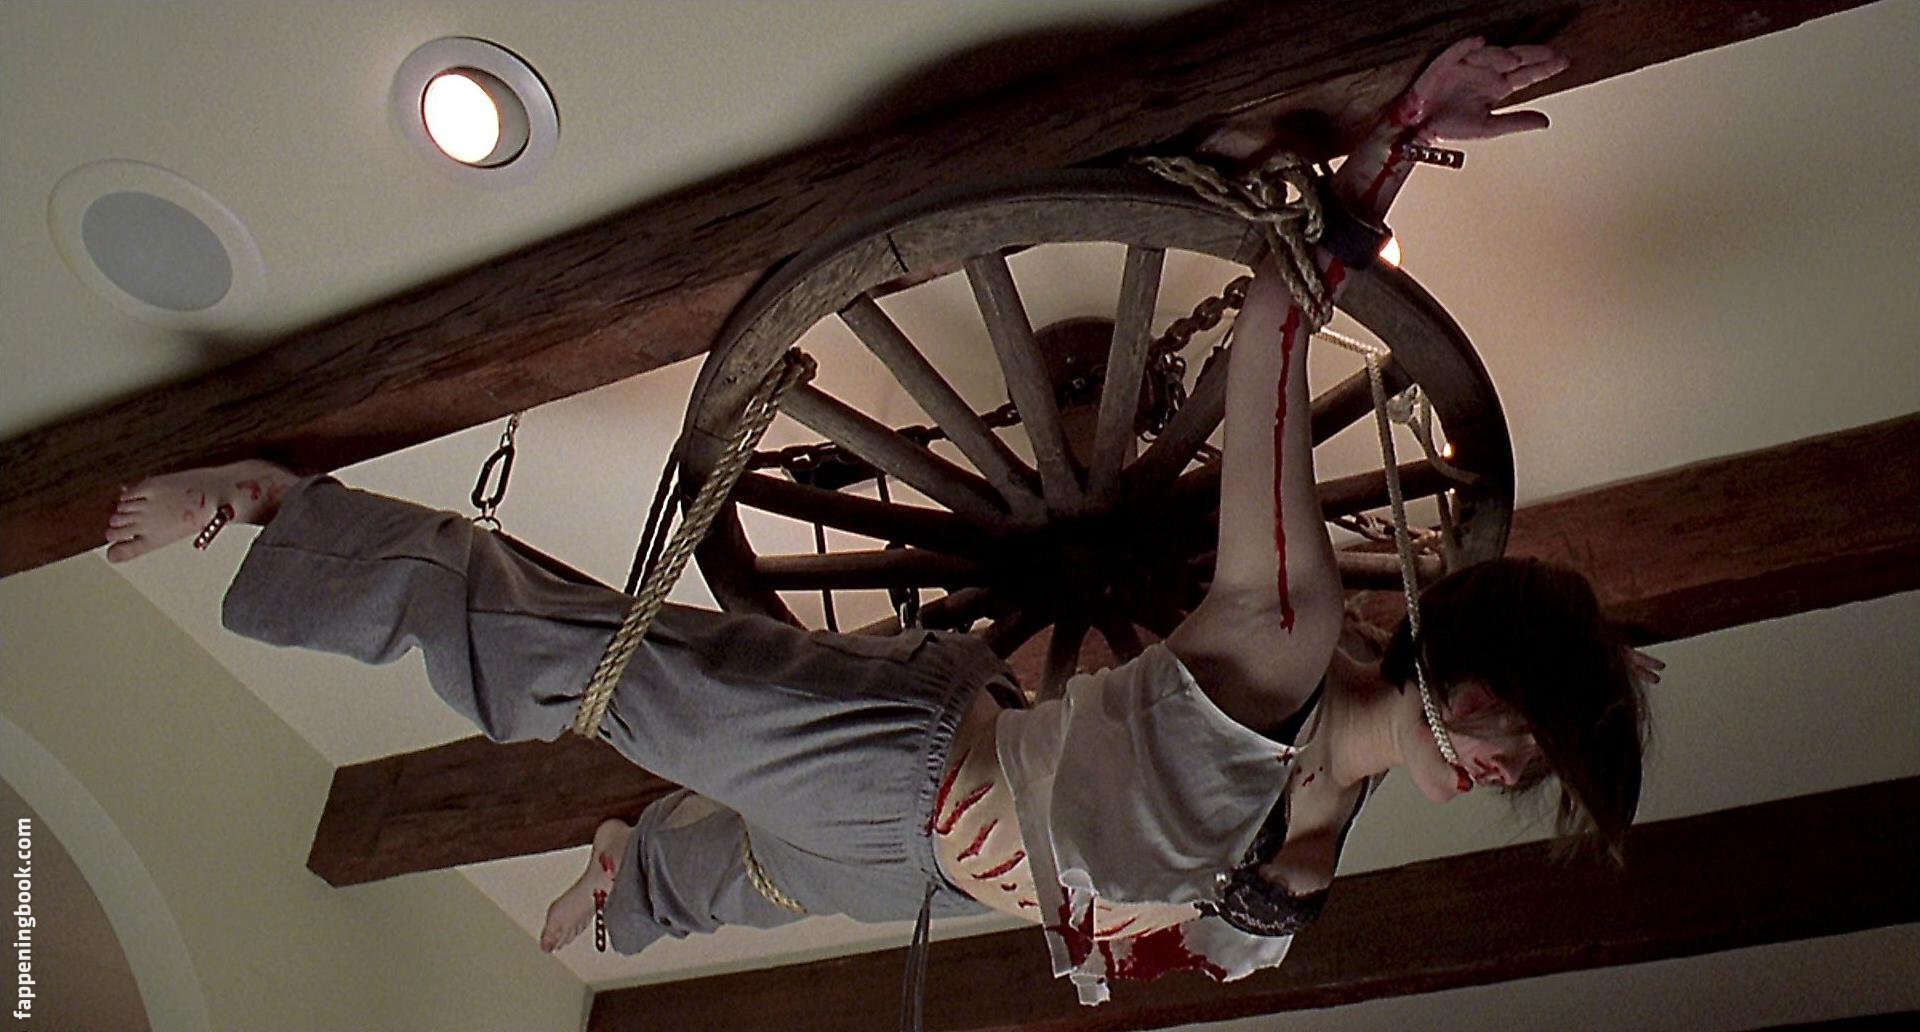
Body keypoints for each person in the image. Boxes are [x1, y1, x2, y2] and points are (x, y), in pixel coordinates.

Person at [103, 38, 1657, 1004]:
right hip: (914, 762)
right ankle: (276, 512)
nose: (1502, 770)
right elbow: (1270, 338)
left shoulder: (1334, 821)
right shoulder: (1292, 639)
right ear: (1471, 670)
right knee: (607, 678)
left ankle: (630, 880)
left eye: (1526, 771)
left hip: (932, 866)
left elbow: (1156, 911)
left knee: (766, 881)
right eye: (1517, 731)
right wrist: (1390, 143)